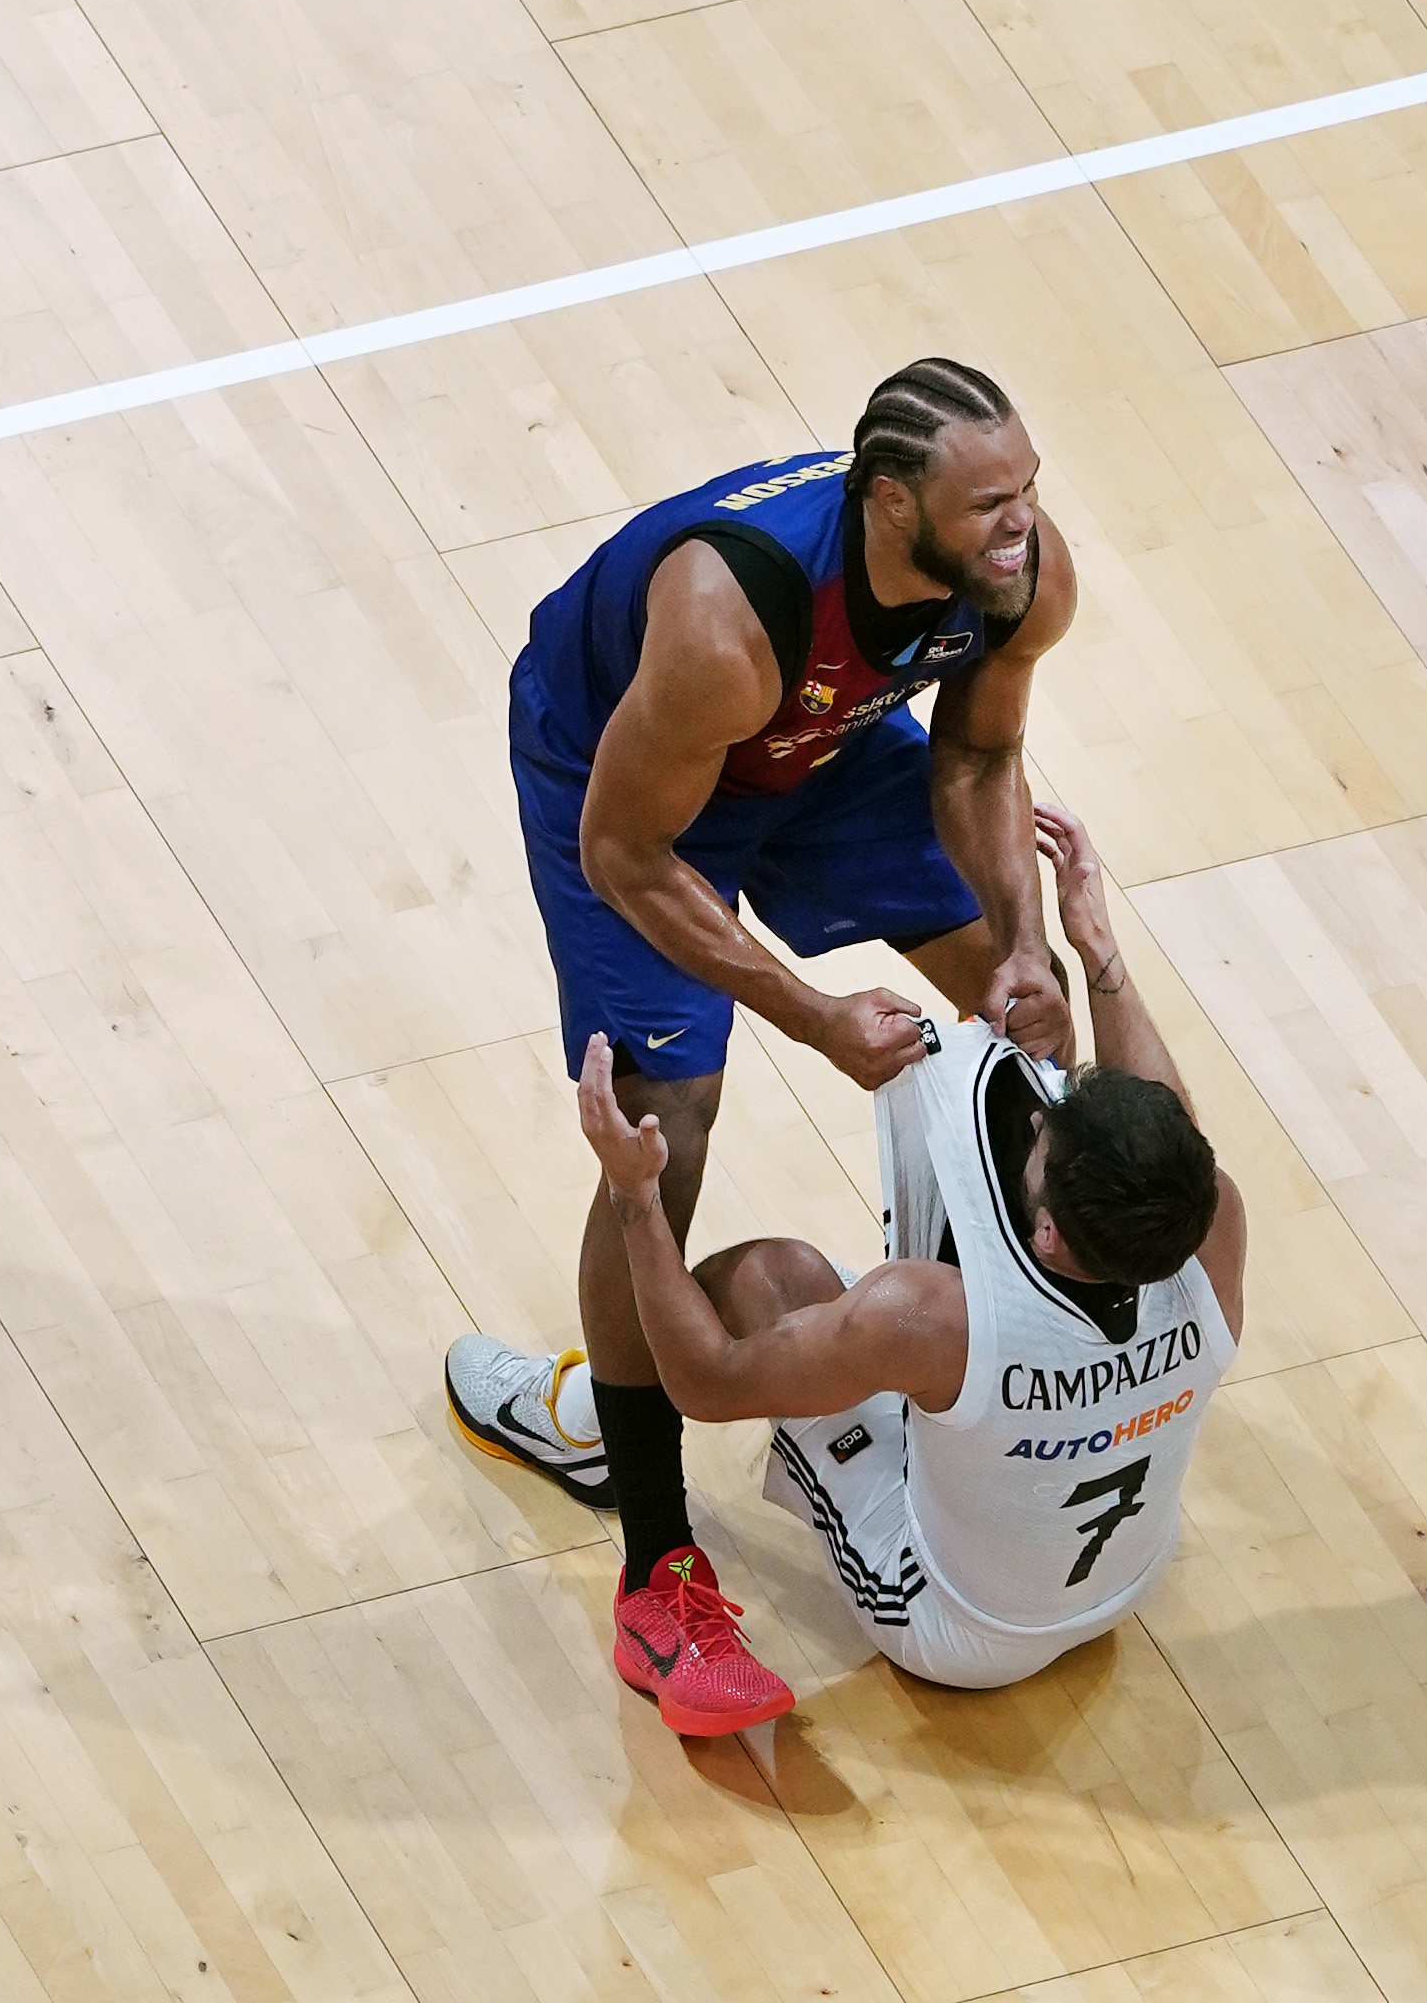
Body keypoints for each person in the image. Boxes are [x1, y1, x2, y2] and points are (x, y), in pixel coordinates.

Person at [446, 357, 1078, 1542]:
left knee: (1027, 1023)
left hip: (816, 746)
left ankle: (994, 1368)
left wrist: (1029, 944)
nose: (1023, 525)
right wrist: (815, 1015)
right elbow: (627, 854)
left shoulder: (1015, 577)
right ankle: (615, 1460)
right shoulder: (723, 620)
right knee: (666, 1119)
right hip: (627, 780)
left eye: (1029, 487)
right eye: (991, 503)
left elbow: (981, 761)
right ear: (891, 501)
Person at [456, 803, 1246, 1731]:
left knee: (769, 1284)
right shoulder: (1210, 1221)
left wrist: (636, 1201)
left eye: (1047, 1137)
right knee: (905, 1340)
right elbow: (1166, 1123)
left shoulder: (921, 1316)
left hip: (960, 1627)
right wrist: (1093, 946)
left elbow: (706, 1382)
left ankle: (602, 1429)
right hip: (1123, 1583)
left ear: (1051, 1239)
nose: (1041, 1113)